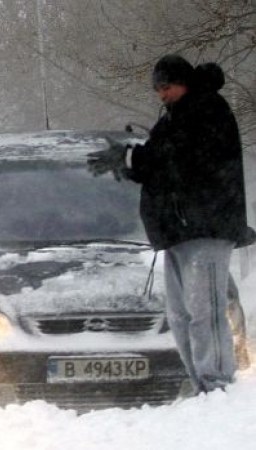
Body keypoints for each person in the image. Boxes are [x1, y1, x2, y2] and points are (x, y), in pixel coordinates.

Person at [88, 54, 255, 394]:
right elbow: (157, 163)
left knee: (204, 310)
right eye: (158, 89)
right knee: (180, 315)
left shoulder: (208, 110)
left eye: (166, 87)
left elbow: (182, 158)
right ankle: (201, 384)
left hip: (206, 227)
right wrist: (127, 163)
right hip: (177, 231)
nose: (161, 95)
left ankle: (218, 384)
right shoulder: (174, 119)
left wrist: (136, 156)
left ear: (184, 81)